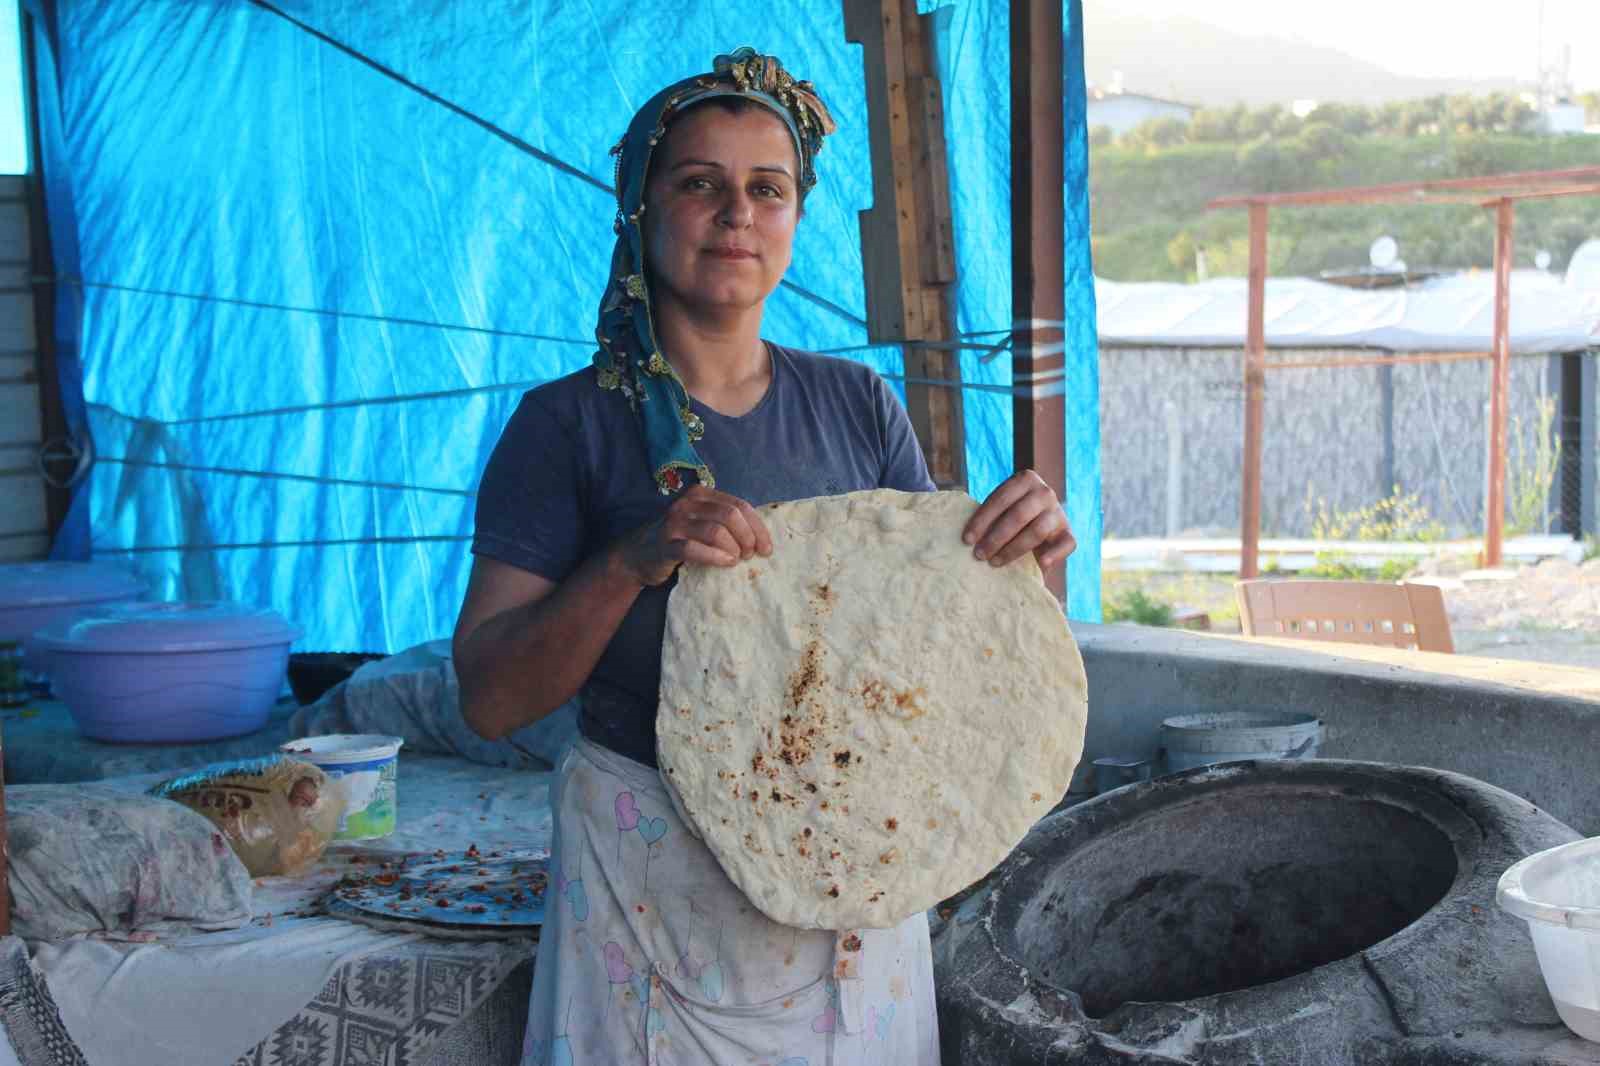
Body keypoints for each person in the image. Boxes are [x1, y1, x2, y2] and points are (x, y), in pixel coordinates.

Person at [454, 47, 1075, 1066]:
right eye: (698, 182)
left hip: (858, 866)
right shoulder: (567, 426)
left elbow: (921, 660)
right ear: (640, 208)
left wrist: (1018, 558)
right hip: (649, 890)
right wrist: (634, 558)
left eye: (766, 188)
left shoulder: (856, 407)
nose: (735, 212)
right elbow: (487, 697)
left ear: (793, 218)